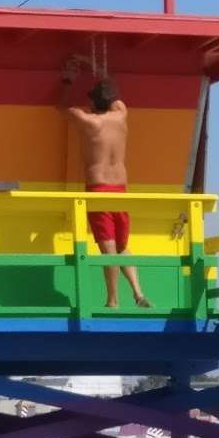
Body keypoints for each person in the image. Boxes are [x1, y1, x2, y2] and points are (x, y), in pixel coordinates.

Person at [60, 59, 150, 309]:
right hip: (121, 190)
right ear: (112, 101)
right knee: (123, 246)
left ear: (91, 103)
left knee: (108, 249)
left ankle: (112, 300)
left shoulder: (90, 122)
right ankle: (138, 292)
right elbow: (113, 92)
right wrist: (94, 66)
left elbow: (63, 107)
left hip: (99, 189)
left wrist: (68, 80)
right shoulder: (122, 115)